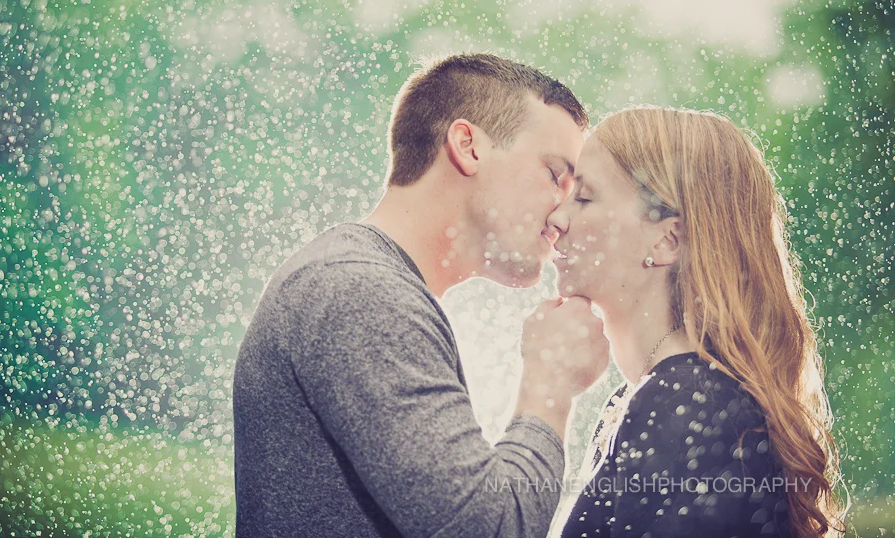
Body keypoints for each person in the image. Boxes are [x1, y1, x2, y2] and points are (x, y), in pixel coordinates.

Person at [233, 54, 611, 537]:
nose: (562, 213)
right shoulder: (361, 293)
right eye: (555, 174)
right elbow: (487, 529)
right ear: (467, 146)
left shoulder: (359, 280)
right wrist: (550, 384)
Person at [549, 107, 848, 538]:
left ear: (667, 239)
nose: (557, 219)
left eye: (585, 197)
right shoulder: (669, 395)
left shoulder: (687, 403)